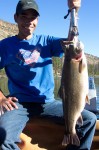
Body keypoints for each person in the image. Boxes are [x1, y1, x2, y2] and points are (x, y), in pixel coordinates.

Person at [0, 0, 97, 150]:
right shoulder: (4, 46)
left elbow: (71, 40)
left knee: (90, 120)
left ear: (37, 20)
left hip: (48, 103)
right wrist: (1, 98)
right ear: (15, 17)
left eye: (33, 17)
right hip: (19, 104)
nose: (29, 21)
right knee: (3, 137)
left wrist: (74, 11)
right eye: (24, 16)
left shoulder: (46, 41)